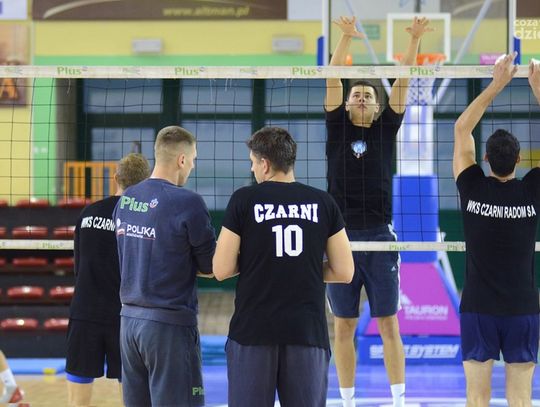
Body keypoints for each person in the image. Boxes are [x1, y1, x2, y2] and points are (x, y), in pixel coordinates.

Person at [325, 16, 433, 407]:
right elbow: (333, 77)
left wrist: (415, 40)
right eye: (356, 94)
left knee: (388, 322)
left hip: (380, 237)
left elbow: (403, 80)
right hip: (339, 238)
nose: (361, 98)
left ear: (377, 106)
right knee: (344, 325)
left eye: (368, 95)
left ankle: (399, 400)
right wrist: (345, 37)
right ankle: (348, 401)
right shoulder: (337, 128)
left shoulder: (386, 129)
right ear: (347, 103)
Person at [213, 126, 355, 407]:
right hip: (306, 332)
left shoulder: (244, 199)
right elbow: (345, 271)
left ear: (265, 164)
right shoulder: (324, 202)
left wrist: (260, 263)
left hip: (253, 332)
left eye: (253, 163)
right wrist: (303, 266)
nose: (252, 169)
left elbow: (221, 269)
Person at [454, 54, 540, 406]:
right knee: (520, 396)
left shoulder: (472, 186)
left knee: (477, 396)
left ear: (485, 159)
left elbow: (462, 129)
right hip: (523, 307)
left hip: (478, 307)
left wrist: (496, 84)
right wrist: (538, 88)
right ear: (520, 160)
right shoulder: (532, 191)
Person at [114, 125, 216, 407]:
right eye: (193, 159)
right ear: (182, 159)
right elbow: (211, 266)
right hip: (168, 327)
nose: (192, 166)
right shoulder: (189, 202)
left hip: (129, 325)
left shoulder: (126, 199)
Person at [65, 153, 150, 407]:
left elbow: (78, 266)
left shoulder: (88, 212)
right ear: (145, 184)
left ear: (115, 178)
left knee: (77, 400)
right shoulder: (142, 218)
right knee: (133, 397)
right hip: (125, 316)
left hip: (84, 311)